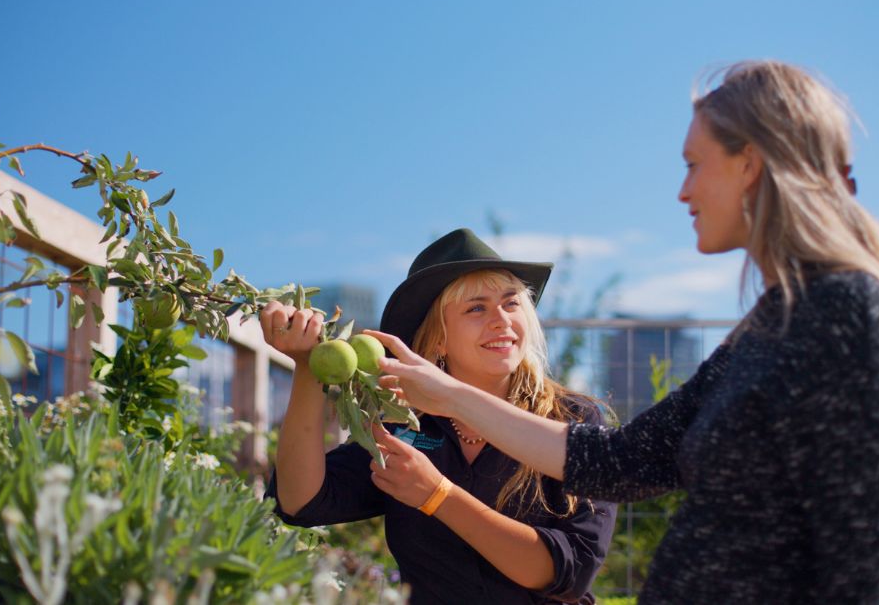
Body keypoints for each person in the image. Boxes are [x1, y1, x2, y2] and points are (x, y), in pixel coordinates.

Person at [367, 61, 879, 604]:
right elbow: (625, 460)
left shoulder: (844, 312)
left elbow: (871, 555)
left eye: (693, 164)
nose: (684, 192)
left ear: (749, 165)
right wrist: (444, 394)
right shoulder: (766, 327)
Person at [260, 228, 617, 604]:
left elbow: (570, 574)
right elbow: (300, 500)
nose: (501, 320)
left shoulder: (573, 421)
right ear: (438, 339)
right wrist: (307, 368)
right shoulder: (404, 423)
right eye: (476, 308)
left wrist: (436, 495)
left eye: (511, 303)